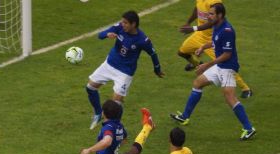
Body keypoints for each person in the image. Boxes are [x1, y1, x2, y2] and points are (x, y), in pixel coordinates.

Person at [170, 3, 256, 141]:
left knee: (230, 97)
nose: (208, 17)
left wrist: (207, 65)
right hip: (220, 66)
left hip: (227, 67)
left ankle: (249, 128)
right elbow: (215, 41)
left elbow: (227, 54)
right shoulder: (217, 25)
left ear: (220, 15)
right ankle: (185, 117)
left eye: (211, 14)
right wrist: (203, 46)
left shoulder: (227, 31)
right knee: (198, 83)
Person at [85, 10, 164, 130]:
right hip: (109, 64)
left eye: (126, 23)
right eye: (122, 22)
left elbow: (153, 53)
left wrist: (157, 69)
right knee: (90, 87)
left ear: (134, 24)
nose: (123, 24)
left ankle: (117, 130)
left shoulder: (142, 40)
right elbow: (100, 35)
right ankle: (98, 113)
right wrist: (107, 35)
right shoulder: (119, 28)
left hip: (124, 72)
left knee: (115, 102)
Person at [177, 0, 253, 98]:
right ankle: (198, 64)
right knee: (182, 52)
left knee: (225, 65)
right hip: (199, 35)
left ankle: (246, 88)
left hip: (211, 39)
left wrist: (194, 28)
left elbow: (212, 22)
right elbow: (197, 8)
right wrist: (188, 22)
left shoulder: (214, 2)